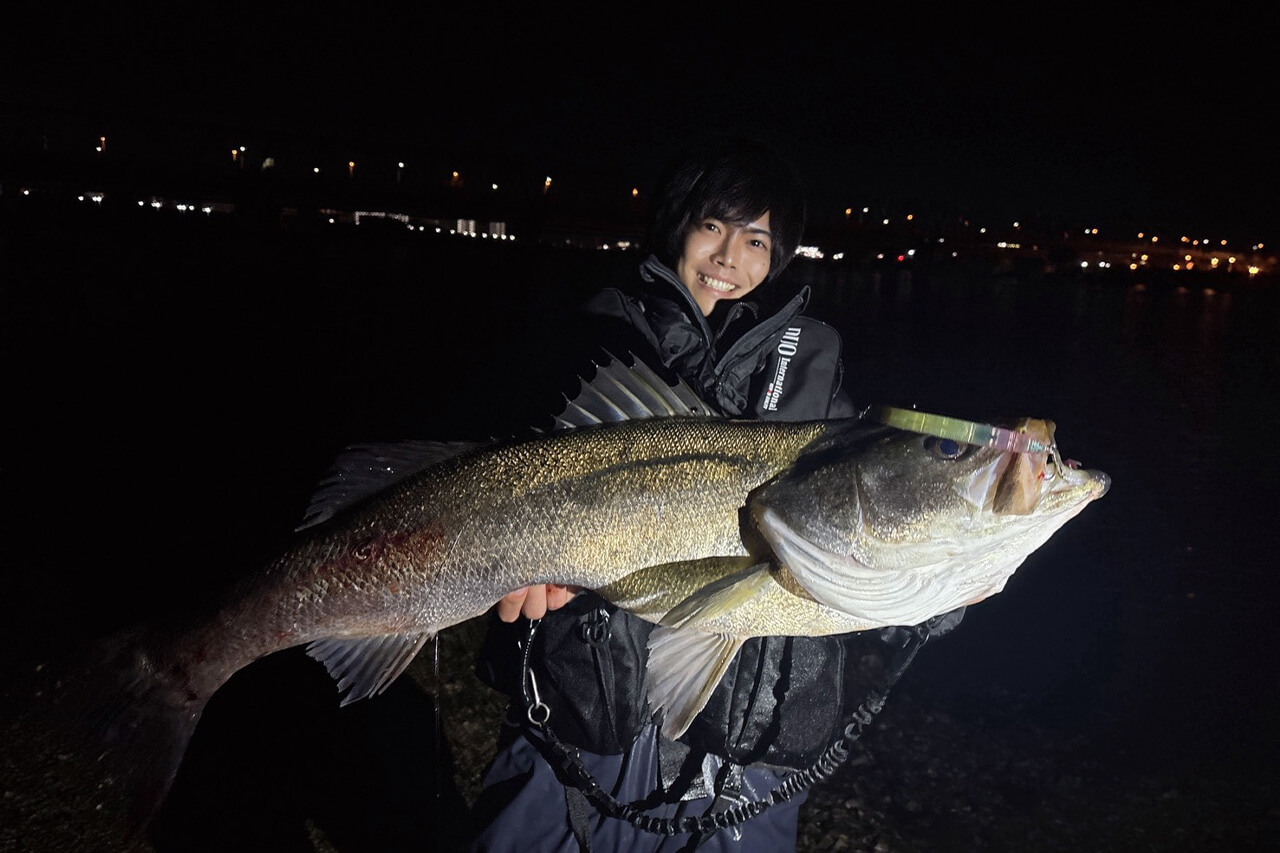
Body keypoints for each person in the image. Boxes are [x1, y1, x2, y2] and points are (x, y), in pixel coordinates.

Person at [465, 137, 961, 852]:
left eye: (756, 237)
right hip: (591, 709)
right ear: (676, 226)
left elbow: (857, 533)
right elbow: (523, 478)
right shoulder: (595, 339)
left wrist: (943, 590)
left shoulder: (819, 385)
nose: (731, 255)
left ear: (779, 254)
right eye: (712, 226)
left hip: (747, 744)